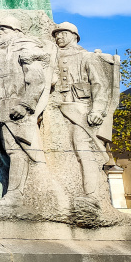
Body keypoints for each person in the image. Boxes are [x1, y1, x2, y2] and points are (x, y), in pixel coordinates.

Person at [0, 15, 51, 205]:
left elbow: (37, 80)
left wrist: (25, 105)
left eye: (3, 30)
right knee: (2, 150)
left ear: (15, 31)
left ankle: (15, 194)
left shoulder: (26, 47)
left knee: (17, 150)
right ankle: (9, 190)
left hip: (16, 107)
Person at [51, 22, 119, 197]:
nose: (59, 37)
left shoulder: (87, 57)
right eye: (57, 34)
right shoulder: (53, 56)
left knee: (83, 149)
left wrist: (97, 110)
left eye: (63, 33)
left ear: (74, 35)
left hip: (81, 110)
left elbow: (99, 85)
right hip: (58, 109)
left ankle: (92, 195)